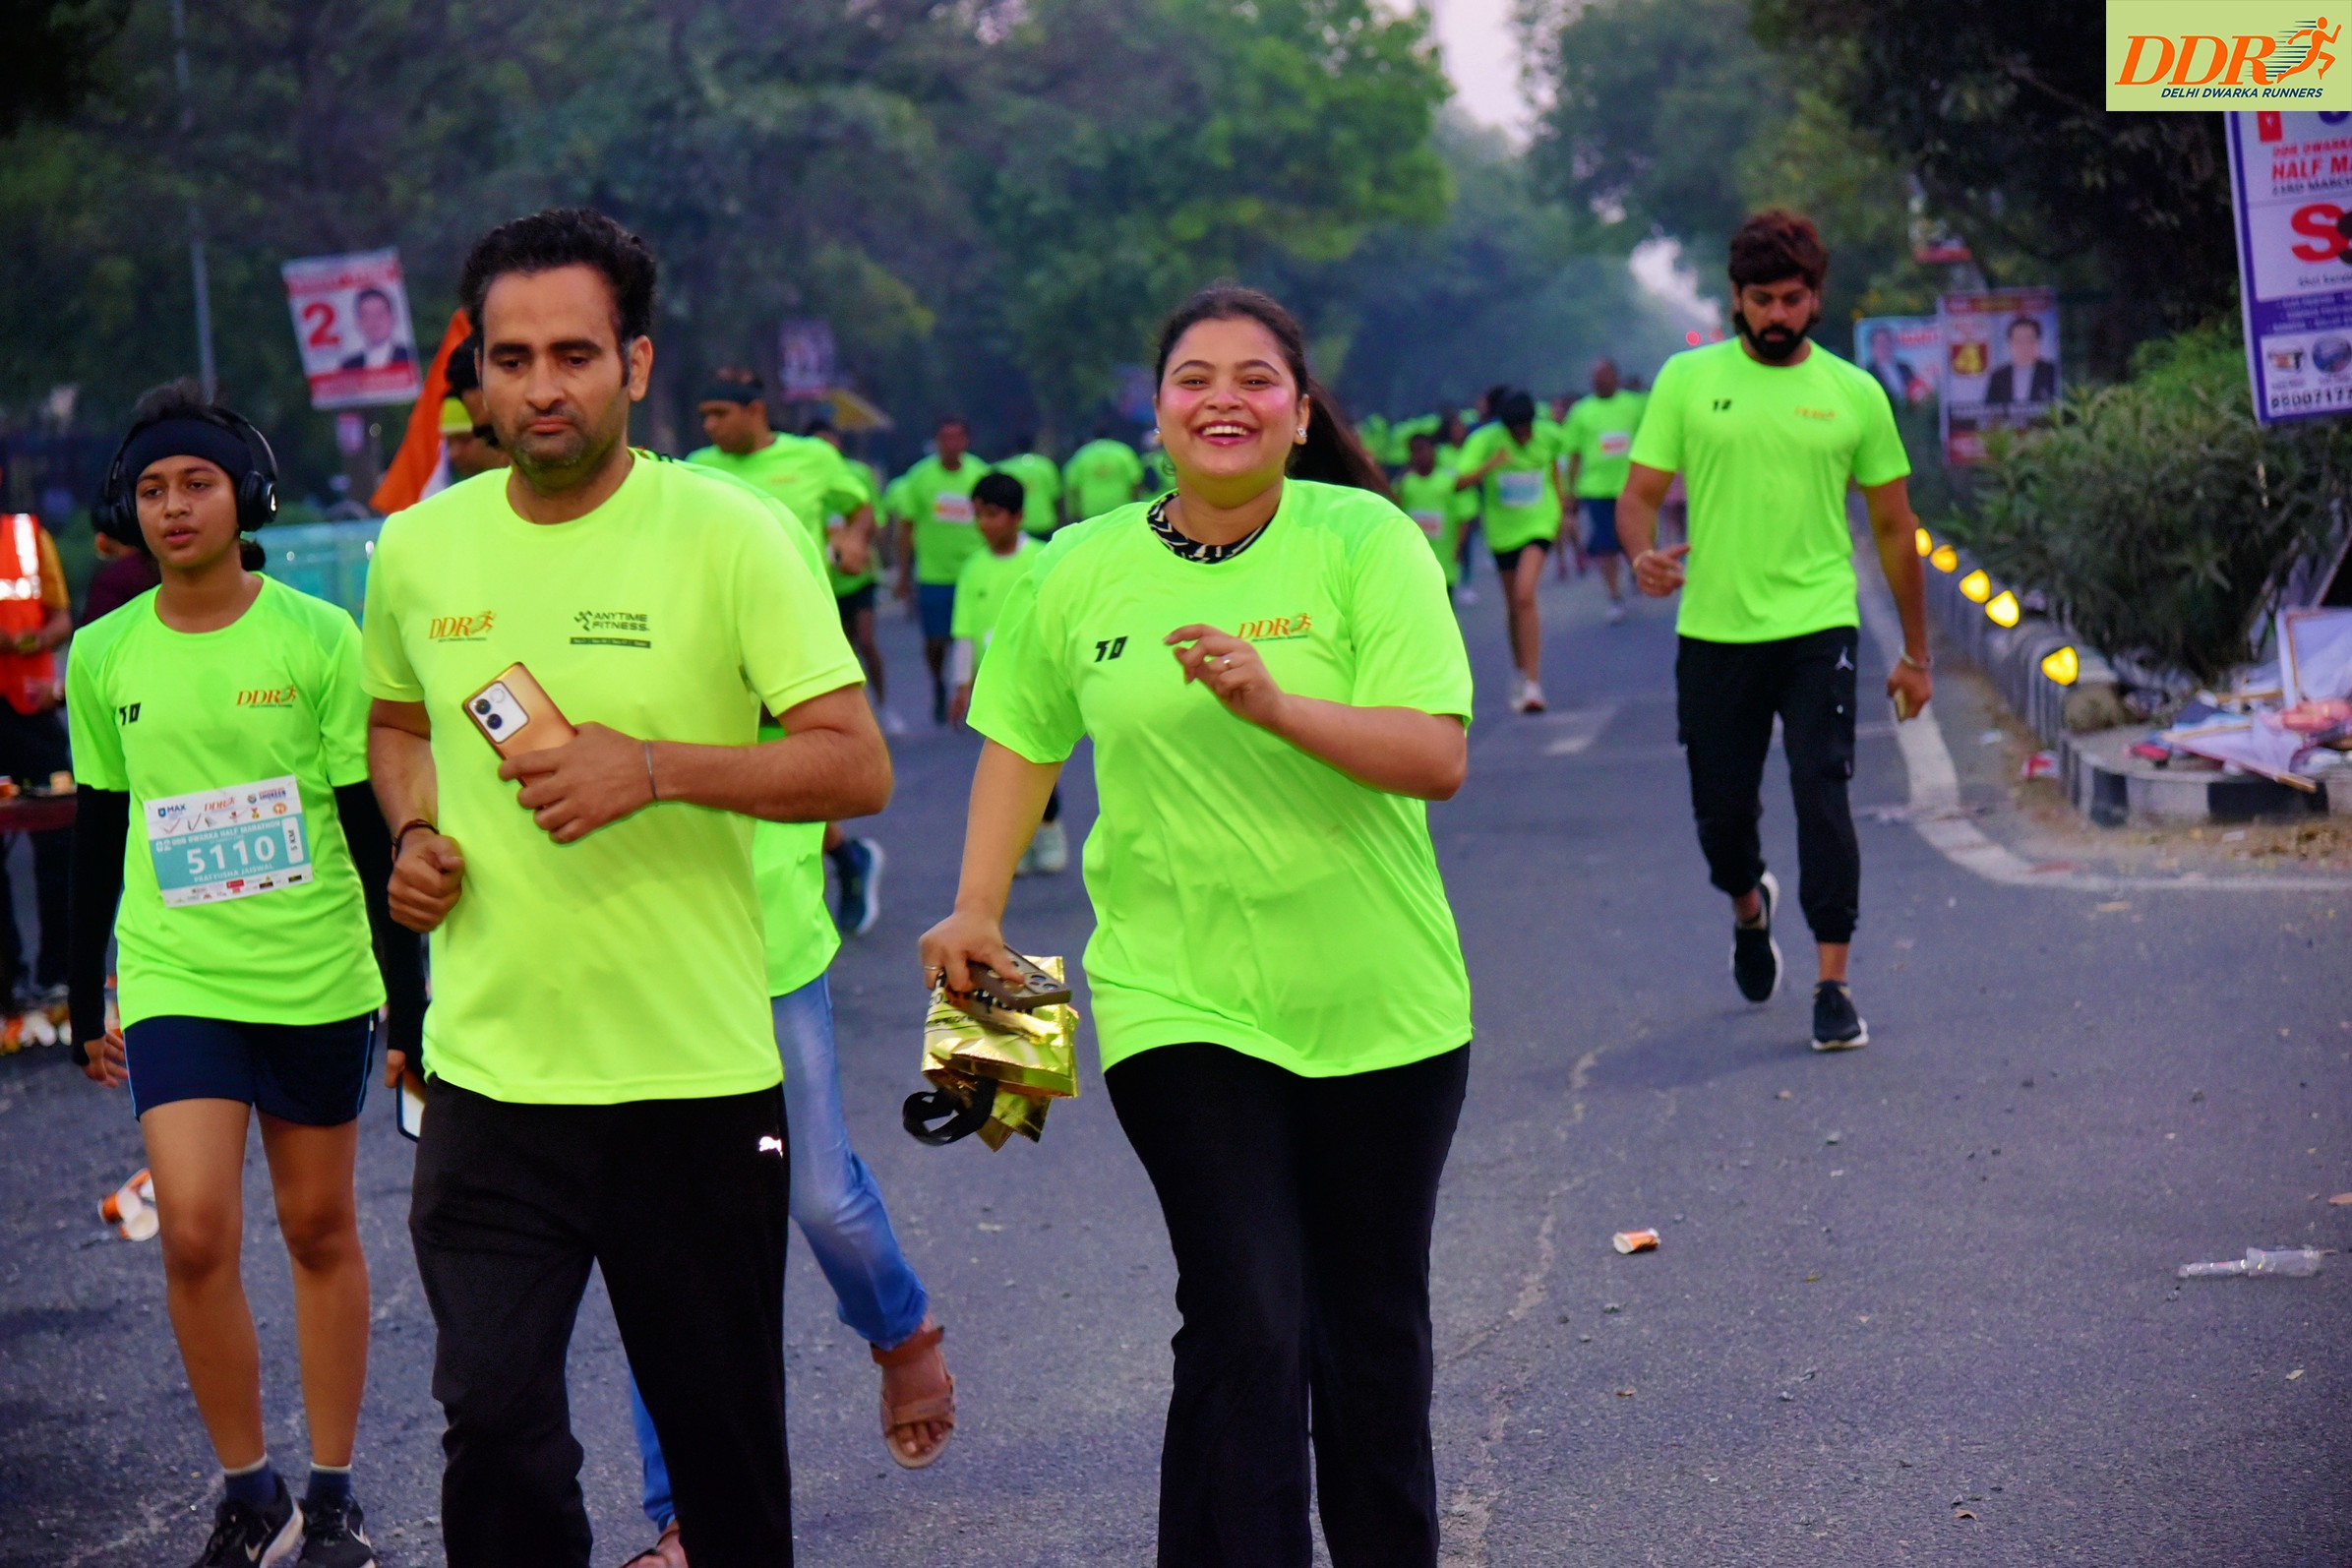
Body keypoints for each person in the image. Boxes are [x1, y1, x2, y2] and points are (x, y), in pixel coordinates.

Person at [361, 208, 890, 1568]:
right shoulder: (418, 550)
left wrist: (650, 768)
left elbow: (854, 761)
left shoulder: (732, 535)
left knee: (723, 1459)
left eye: (576, 355)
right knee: (493, 1427)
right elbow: (398, 723)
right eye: (513, 358)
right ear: (476, 377)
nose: (543, 387)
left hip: (691, 1085)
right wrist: (414, 832)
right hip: (490, 1081)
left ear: (635, 365)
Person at [923, 283, 1474, 1568]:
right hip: (1175, 999)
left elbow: (1434, 754)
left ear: (1298, 414)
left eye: (1254, 378)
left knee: (1369, 1331)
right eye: (1193, 378)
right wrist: (976, 905)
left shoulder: (1366, 540)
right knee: (1244, 1313)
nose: (1223, 398)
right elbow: (1020, 736)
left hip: (1381, 1000)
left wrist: (1279, 706)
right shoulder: (1076, 563)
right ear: (1158, 411)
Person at [67, 383, 426, 1568]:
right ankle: (248, 1492)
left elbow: (368, 828)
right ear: (127, 509)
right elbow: (99, 827)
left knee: (319, 1226)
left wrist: (408, 996)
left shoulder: (318, 639)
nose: (173, 507)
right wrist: (82, 990)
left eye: (197, 483)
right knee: (193, 1231)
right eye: (152, 489)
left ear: (247, 497)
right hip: (178, 976)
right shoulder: (103, 652)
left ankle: (333, 1496)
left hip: (317, 973)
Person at [612, 465, 949, 1568]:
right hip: (639, 960)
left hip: (767, 952)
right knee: (665, 1239)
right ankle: (682, 1516)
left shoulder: (761, 573)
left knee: (817, 1194)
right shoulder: (573, 598)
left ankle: (901, 1329)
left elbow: (846, 760)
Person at [1616, 210, 1933, 1052]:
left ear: (1815, 298)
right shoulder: (1687, 380)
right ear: (1736, 299)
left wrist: (1915, 654)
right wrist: (1641, 555)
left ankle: (1833, 985)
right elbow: (1638, 496)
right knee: (1721, 817)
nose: (1776, 315)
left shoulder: (1853, 393)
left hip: (1817, 623)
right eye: (1760, 300)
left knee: (1821, 791)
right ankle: (1748, 908)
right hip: (1714, 631)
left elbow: (1895, 528)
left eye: (1791, 299)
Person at [689, 374, 888, 935]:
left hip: (802, 628)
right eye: (704, 417)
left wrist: (853, 539)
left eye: (721, 414)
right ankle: (841, 857)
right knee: (750, 757)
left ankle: (823, 871)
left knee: (799, 756)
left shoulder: (813, 458)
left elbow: (861, 507)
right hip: (723, 633)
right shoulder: (695, 469)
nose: (711, 427)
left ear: (756, 410)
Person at [946, 471, 1063, 874]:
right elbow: (964, 632)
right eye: (978, 514)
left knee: (1039, 759)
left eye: (993, 514)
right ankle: (1020, 842)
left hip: (1039, 678)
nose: (984, 524)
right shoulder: (973, 568)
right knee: (1006, 765)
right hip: (994, 682)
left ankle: (1049, 828)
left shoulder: (1045, 559)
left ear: (1017, 516)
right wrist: (961, 684)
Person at [0, 472, 74, 1011]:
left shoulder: (28, 536)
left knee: (59, 838)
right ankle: (7, 980)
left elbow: (62, 617)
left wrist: (32, 639)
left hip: (31, 712)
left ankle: (57, 974)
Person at [1457, 390, 1566, 712]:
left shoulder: (1548, 435)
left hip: (1539, 522)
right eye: (1516, 431)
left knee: (1524, 594)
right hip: (1503, 531)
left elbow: (1555, 467)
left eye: (1527, 429)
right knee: (1513, 605)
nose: (1523, 436)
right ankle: (1520, 671)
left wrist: (1563, 510)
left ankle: (1533, 684)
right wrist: (1491, 464)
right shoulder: (1485, 440)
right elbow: (1460, 482)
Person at [892, 416, 989, 724]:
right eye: (945, 438)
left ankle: (976, 696)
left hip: (974, 573)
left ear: (967, 441)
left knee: (976, 640)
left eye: (957, 437)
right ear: (936, 442)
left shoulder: (980, 475)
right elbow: (906, 528)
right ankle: (938, 683)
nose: (951, 444)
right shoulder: (920, 478)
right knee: (936, 642)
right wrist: (903, 575)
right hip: (933, 575)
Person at [1560, 357, 1646, 623]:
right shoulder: (1581, 412)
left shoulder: (1635, 405)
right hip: (1596, 491)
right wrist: (1569, 492)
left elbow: (1651, 443)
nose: (1600, 380)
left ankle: (1635, 570)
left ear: (1616, 377)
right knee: (1605, 546)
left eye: (1606, 375)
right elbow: (1573, 455)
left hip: (1631, 488)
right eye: (1596, 376)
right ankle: (1614, 596)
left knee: (1632, 540)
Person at [1393, 431, 1468, 598]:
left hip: (1444, 564)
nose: (1420, 456)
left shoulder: (1448, 481)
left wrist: (1458, 548)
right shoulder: (1405, 483)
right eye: (1415, 451)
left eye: (1423, 449)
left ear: (1433, 450)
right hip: (1415, 564)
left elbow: (1463, 517)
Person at [1062, 423, 1146, 523]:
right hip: (1121, 509)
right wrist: (1137, 504)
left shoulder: (1082, 454)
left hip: (1091, 511)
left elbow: (1073, 487)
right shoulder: (1123, 452)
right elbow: (1136, 481)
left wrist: (1074, 513)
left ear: (1092, 437)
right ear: (1111, 436)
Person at [993, 436, 1062, 539]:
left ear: (1014, 447)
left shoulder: (1004, 468)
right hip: (1044, 522)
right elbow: (1056, 498)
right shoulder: (1046, 466)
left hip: (1016, 525)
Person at [1983, 316, 2056, 408]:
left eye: (2030, 340)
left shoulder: (2051, 371)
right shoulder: (1998, 376)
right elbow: (1989, 409)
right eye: (2019, 340)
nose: (2024, 346)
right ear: (2010, 343)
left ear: (2038, 342)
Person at [337, 287, 412, 371]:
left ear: (393, 319)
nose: (373, 321)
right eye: (366, 316)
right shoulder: (349, 366)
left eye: (380, 314)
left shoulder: (410, 356)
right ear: (358, 322)